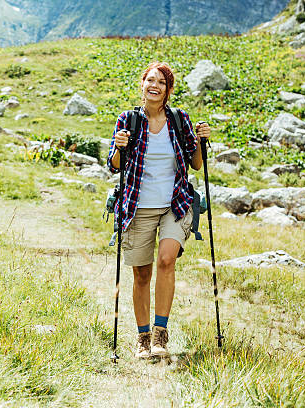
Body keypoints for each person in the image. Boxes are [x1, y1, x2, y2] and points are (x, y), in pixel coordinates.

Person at [107, 61, 210, 359]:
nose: (155, 86)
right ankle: (142, 337)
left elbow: (196, 164)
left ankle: (160, 337)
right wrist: (119, 147)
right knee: (141, 273)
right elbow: (115, 166)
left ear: (168, 89)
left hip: (174, 204)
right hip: (137, 205)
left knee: (166, 260)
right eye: (150, 80)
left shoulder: (179, 120)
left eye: (162, 82)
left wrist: (201, 141)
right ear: (142, 85)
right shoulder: (128, 120)